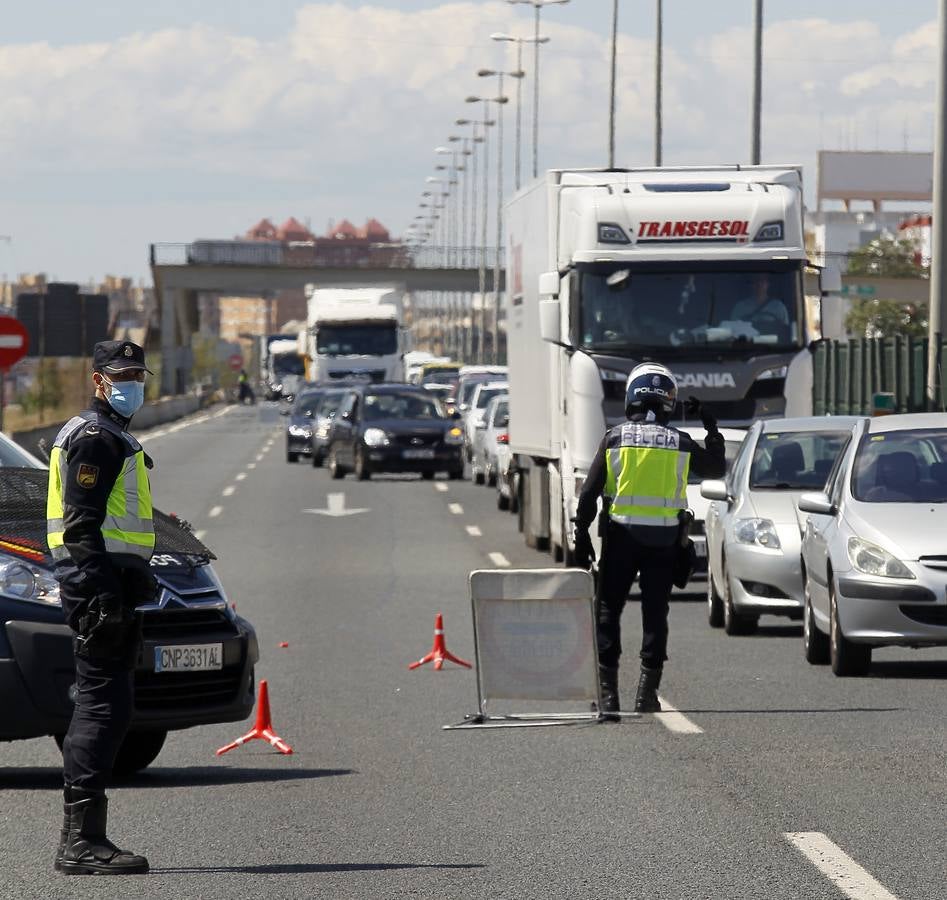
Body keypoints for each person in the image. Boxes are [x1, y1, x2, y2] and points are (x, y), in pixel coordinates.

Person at [46, 341, 156, 875]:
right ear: (99, 381)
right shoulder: (96, 438)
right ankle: (81, 842)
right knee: (100, 708)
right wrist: (103, 595)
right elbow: (80, 525)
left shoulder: (109, 435)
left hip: (106, 585)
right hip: (96, 588)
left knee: (109, 706)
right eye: (122, 374)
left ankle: (82, 838)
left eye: (138, 373)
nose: (133, 382)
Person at [573, 363, 726, 719]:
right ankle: (647, 694)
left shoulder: (614, 439)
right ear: (669, 401)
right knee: (655, 613)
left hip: (621, 539)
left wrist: (581, 536)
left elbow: (588, 494)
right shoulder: (680, 443)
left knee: (609, 610)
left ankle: (608, 696)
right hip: (664, 542)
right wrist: (710, 424)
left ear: (632, 398)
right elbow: (717, 467)